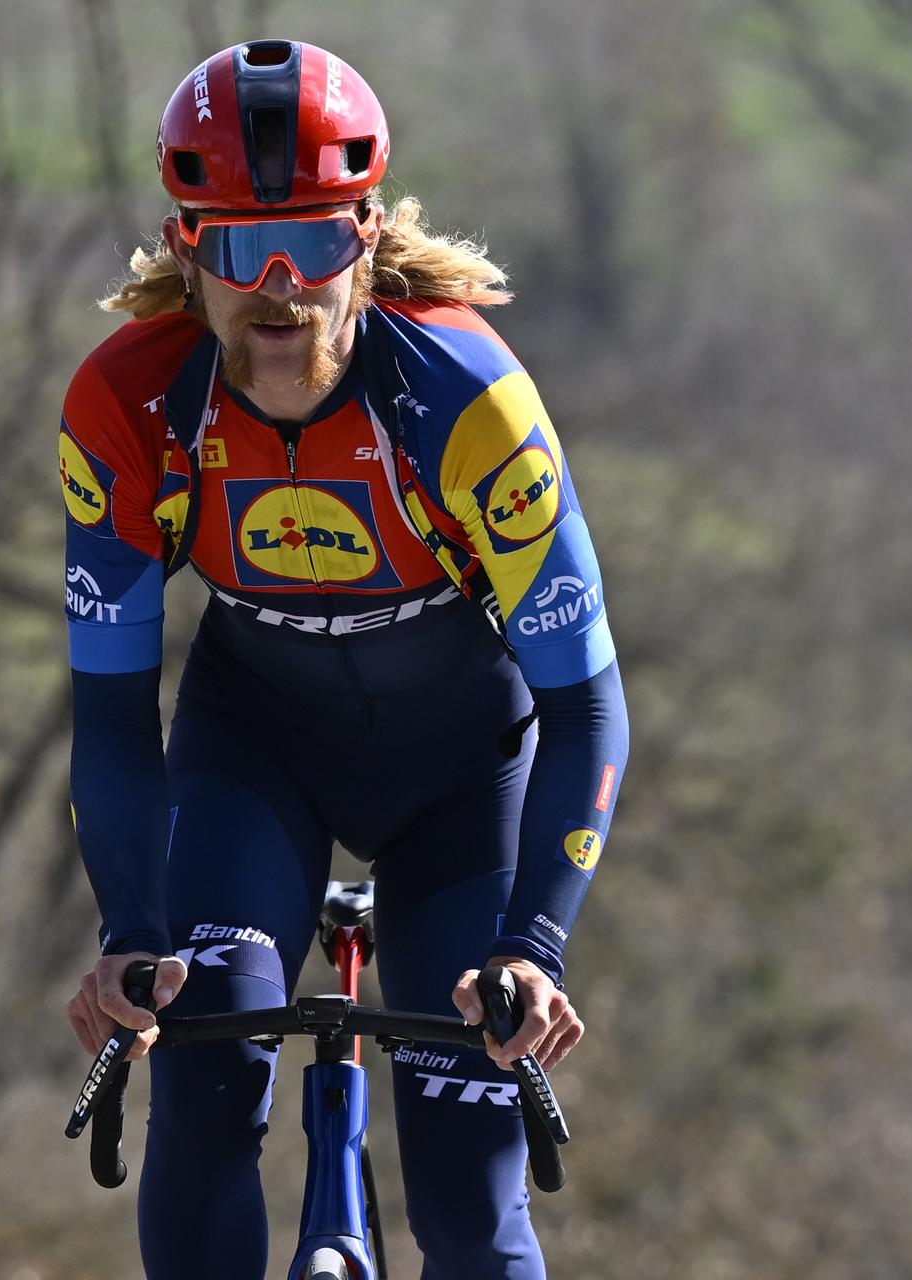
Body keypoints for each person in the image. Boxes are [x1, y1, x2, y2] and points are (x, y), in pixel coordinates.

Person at [58, 39, 627, 1279]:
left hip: (458, 776)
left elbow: (585, 698)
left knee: (472, 1201)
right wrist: (130, 932)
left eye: (313, 244)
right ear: (184, 247)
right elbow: (109, 716)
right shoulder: (131, 408)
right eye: (236, 249)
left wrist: (534, 944)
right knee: (204, 1078)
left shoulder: (467, 399)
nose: (280, 292)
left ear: (366, 236)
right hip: (251, 756)